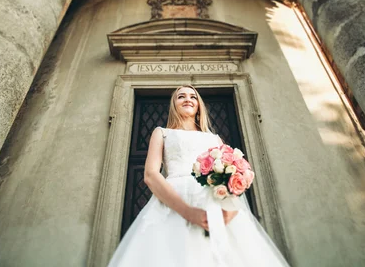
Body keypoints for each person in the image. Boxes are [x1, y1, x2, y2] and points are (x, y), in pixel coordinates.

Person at [108, 85, 290, 267]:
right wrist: (188, 212)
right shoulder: (162, 133)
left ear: (198, 105)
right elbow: (150, 175)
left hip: (213, 202)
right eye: (181, 96)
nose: (188, 99)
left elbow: (232, 176)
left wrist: (231, 211)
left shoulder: (214, 138)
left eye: (193, 97)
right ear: (174, 104)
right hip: (174, 201)